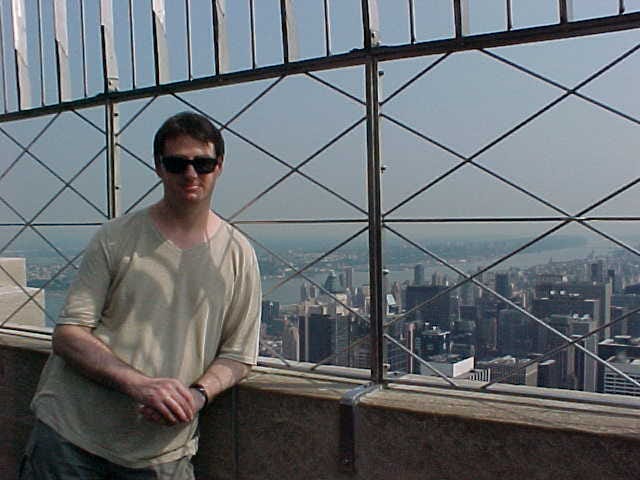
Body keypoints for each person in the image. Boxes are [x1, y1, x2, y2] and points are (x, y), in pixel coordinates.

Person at [19, 111, 262, 479]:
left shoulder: (237, 254)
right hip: (72, 437)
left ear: (220, 165)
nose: (191, 174)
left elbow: (239, 355)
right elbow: (69, 334)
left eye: (203, 162)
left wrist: (195, 396)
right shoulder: (117, 237)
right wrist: (141, 386)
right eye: (177, 163)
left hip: (162, 452)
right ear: (159, 168)